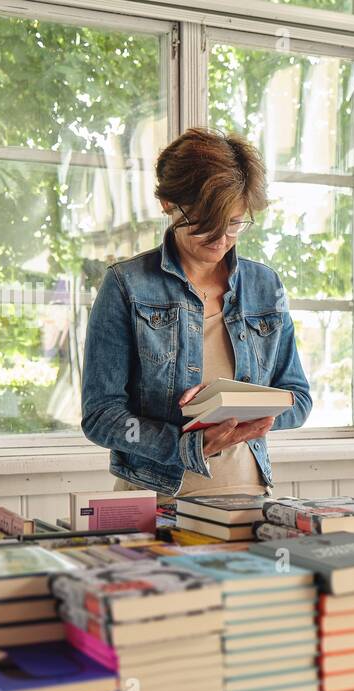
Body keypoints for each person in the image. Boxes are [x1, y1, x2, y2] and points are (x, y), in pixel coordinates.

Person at [81, 128, 312, 498]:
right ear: (169, 203)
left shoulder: (265, 287)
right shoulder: (127, 286)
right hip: (154, 503)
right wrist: (184, 444)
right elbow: (100, 417)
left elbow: (297, 399)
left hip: (249, 499)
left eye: (235, 223)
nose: (221, 238)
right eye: (206, 223)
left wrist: (236, 404)